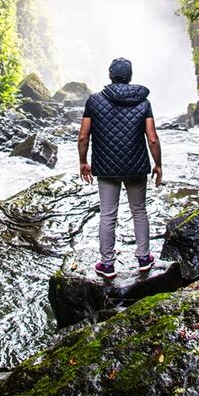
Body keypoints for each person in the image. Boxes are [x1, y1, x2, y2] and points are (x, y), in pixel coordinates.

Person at [78, 57, 163, 279]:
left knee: (107, 215)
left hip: (106, 167)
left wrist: (83, 162)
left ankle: (107, 265)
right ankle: (144, 259)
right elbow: (152, 139)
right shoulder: (143, 103)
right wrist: (158, 164)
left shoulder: (94, 101)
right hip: (136, 166)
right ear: (130, 76)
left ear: (110, 75)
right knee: (139, 210)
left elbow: (83, 136)